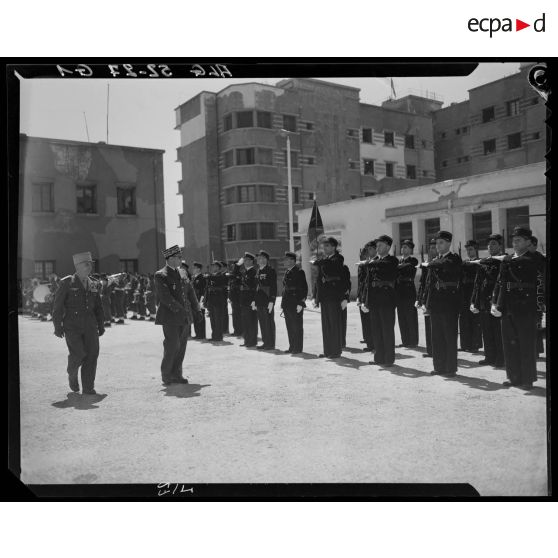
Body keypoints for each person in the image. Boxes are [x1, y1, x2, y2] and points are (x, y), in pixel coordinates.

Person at [491, 227, 542, 389]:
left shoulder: (535, 258)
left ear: (528, 242)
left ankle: (527, 379)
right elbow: (500, 282)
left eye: (519, 239)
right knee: (509, 343)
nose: (515, 242)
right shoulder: (507, 259)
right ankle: (513, 377)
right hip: (507, 306)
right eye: (513, 240)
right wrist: (495, 302)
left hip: (526, 306)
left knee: (526, 344)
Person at [52, 252, 105, 394]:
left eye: (91, 264)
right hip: (72, 326)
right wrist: (57, 326)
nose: (90, 267)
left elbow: (98, 306)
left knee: (92, 354)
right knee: (79, 354)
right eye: (86, 264)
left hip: (90, 325)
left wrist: (101, 324)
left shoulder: (93, 282)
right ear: (77, 266)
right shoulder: (67, 282)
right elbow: (57, 306)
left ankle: (88, 387)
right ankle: (72, 373)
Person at [154, 245, 201, 385]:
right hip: (170, 317)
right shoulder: (161, 274)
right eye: (179, 257)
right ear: (170, 258)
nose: (181, 260)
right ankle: (167, 374)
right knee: (172, 345)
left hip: (185, 316)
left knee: (181, 346)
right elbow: (165, 297)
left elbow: (190, 293)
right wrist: (181, 310)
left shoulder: (183, 272)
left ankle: (177, 374)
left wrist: (197, 309)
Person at [421, 231, 462, 377]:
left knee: (449, 337)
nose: (438, 246)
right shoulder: (435, 261)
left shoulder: (453, 259)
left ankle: (450, 368)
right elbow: (429, 284)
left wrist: (430, 263)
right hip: (436, 302)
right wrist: (426, 302)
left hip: (449, 303)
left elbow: (446, 265)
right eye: (436, 243)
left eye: (441, 243)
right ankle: (439, 367)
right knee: (436, 336)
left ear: (449, 244)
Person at [362, 235, 398, 367]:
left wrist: (370, 262)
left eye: (380, 245)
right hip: (375, 299)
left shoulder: (392, 260)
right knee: (376, 330)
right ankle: (379, 357)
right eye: (376, 246)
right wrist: (366, 301)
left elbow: (386, 265)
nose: (377, 248)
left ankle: (388, 359)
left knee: (387, 330)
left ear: (388, 247)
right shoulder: (374, 261)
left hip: (387, 299)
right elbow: (368, 282)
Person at [470, 234, 505, 367]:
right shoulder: (483, 262)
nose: (490, 246)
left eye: (494, 244)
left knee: (498, 332)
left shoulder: (503, 261)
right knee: (487, 331)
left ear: (500, 246)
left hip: (496, 301)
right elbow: (477, 283)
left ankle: (500, 359)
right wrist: (474, 301)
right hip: (484, 301)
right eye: (489, 244)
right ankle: (489, 357)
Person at [312, 237, 349, 359]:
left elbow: (334, 268)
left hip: (334, 294)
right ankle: (328, 350)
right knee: (326, 325)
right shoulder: (324, 260)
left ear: (334, 247)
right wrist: (316, 297)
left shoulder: (338, 258)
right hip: (325, 295)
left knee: (334, 324)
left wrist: (344, 297)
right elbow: (318, 280)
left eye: (327, 246)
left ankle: (336, 351)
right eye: (324, 246)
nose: (324, 248)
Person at [281, 251, 308, 354]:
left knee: (297, 327)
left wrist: (301, 303)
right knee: (290, 327)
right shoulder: (287, 272)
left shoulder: (299, 272)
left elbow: (304, 289)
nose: (285, 261)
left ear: (292, 261)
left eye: (287, 260)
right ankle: (292, 346)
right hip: (287, 303)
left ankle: (298, 348)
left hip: (295, 303)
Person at [459, 240, 482, 352]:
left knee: (474, 320)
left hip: (474, 292)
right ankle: (465, 345)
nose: (469, 252)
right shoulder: (464, 263)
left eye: (471, 249)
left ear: (476, 250)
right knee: (464, 320)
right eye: (467, 250)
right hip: (464, 293)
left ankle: (475, 345)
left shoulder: (480, 263)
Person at [395, 239, 419, 348]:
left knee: (410, 317)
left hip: (409, 290)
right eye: (402, 247)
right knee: (402, 317)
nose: (403, 249)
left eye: (406, 247)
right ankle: (405, 341)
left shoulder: (413, 260)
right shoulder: (399, 261)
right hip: (399, 291)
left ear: (410, 249)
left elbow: (408, 267)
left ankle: (413, 341)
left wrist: (396, 268)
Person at [254, 250, 277, 350]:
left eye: (263, 258)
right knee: (262, 322)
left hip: (267, 300)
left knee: (269, 323)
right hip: (260, 300)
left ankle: (270, 343)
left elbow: (273, 287)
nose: (261, 260)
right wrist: (254, 300)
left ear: (267, 260)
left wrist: (272, 301)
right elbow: (257, 287)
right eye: (259, 258)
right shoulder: (258, 270)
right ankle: (265, 342)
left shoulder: (270, 270)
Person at [528, 236, 546, 356]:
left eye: (528, 245)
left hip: (538, 295)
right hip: (528, 295)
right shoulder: (524, 257)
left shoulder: (540, 259)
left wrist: (543, 300)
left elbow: (543, 279)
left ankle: (537, 350)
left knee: (537, 323)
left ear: (534, 245)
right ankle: (532, 349)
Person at [204, 261, 227, 342]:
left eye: (214, 266)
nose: (212, 267)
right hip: (211, 300)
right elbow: (207, 289)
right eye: (212, 266)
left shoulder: (221, 275)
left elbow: (217, 280)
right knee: (212, 319)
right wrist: (206, 301)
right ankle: (214, 335)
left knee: (218, 319)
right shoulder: (211, 276)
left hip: (218, 300)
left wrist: (208, 277)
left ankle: (219, 336)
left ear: (218, 267)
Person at [239, 253, 259, 347]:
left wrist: (254, 300)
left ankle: (252, 341)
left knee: (251, 322)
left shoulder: (254, 272)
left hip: (251, 300)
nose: (245, 262)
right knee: (245, 321)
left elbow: (256, 287)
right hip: (244, 300)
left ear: (251, 261)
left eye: (247, 260)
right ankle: (247, 340)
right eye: (244, 260)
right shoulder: (245, 272)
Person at [227, 261, 243, 336]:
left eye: (234, 266)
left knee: (238, 315)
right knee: (234, 315)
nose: (233, 267)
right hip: (233, 297)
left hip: (238, 297)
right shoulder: (232, 275)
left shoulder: (239, 274)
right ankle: (236, 330)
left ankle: (240, 330)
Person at [191, 262, 207, 339]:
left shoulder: (202, 278)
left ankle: (201, 334)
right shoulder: (194, 278)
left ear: (199, 269)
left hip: (199, 300)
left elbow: (203, 291)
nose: (193, 269)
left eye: (194, 268)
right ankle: (197, 334)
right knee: (195, 318)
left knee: (200, 317)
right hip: (194, 300)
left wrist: (201, 301)